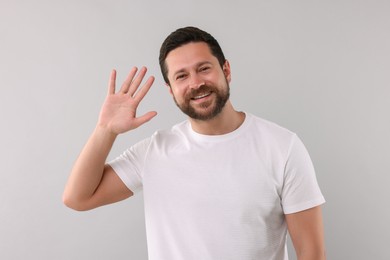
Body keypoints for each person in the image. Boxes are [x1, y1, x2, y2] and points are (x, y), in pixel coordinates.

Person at [63, 26, 326, 260]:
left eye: (203, 69)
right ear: (170, 90)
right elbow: (78, 197)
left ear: (226, 70)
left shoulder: (282, 147)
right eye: (181, 76)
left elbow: (311, 253)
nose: (196, 83)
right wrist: (105, 130)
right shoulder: (154, 151)